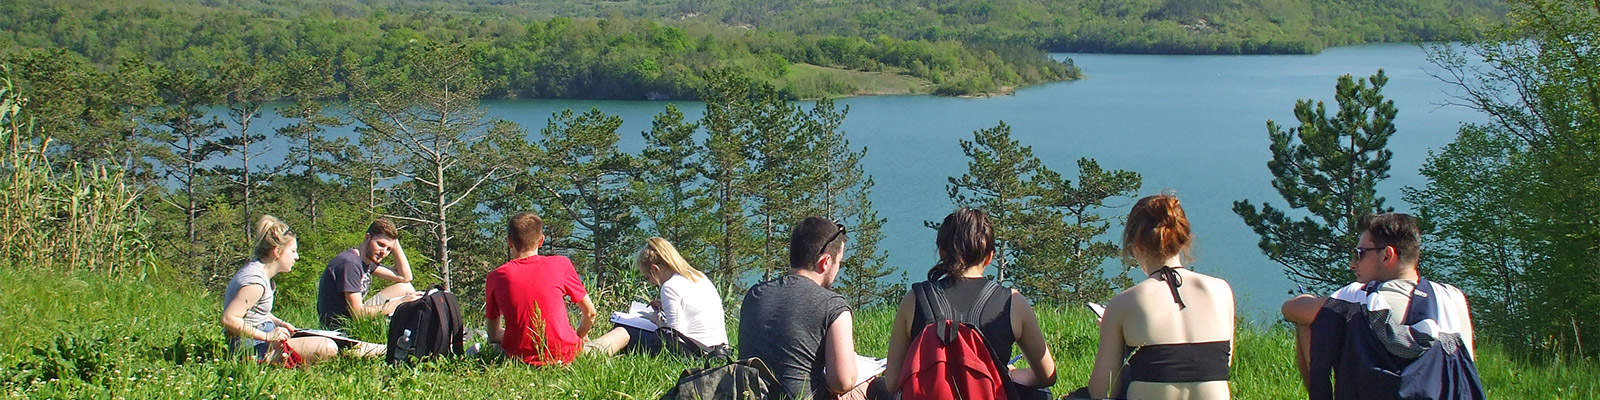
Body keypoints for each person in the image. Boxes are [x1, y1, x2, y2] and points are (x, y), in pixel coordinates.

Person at [1281, 213, 1479, 399]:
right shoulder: (1452, 297)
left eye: (1359, 254)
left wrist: (1308, 297)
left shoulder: (1360, 296)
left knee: (1313, 321)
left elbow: (1291, 310)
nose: (1352, 263)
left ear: (1387, 255)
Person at [884, 208, 1056, 399]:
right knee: (1040, 393)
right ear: (989, 257)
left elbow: (892, 382)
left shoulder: (915, 299)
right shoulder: (1012, 302)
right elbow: (1047, 375)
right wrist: (1009, 374)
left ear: (942, 252)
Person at [1086, 194, 1234, 399]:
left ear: (1135, 246)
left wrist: (1116, 339)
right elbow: (1221, 364)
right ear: (1183, 240)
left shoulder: (1124, 303)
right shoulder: (1221, 290)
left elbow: (1101, 391)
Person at [739, 217, 875, 400]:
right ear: (826, 262)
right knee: (877, 387)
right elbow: (842, 382)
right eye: (838, 262)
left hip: (750, 395)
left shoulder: (755, 294)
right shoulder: (833, 306)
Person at [222, 215, 381, 366]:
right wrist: (267, 336)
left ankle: (381, 350)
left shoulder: (260, 274)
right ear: (277, 252)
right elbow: (229, 319)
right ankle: (380, 352)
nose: (296, 256)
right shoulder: (255, 282)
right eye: (293, 251)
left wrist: (279, 322)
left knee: (330, 339)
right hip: (251, 347)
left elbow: (254, 312)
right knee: (327, 347)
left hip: (263, 338)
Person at [484, 211, 599, 366]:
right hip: (566, 354)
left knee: (479, 348)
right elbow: (590, 313)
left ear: (509, 242)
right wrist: (579, 336)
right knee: (622, 334)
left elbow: (493, 334)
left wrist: (520, 336)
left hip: (518, 358)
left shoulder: (496, 277)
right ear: (541, 241)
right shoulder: (561, 264)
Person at [586, 237, 730, 357]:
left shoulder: (670, 287)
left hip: (693, 353)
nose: (650, 282)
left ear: (655, 269)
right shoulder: (698, 276)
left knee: (624, 330)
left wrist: (655, 320)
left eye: (648, 277)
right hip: (717, 350)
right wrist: (664, 306)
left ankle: (589, 352)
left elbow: (675, 336)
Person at [315, 218, 422, 330]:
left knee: (406, 287)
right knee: (404, 304)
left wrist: (395, 242)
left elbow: (405, 277)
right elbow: (358, 314)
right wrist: (399, 303)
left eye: (389, 249)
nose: (383, 253)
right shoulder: (350, 264)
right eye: (380, 244)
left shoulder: (366, 261)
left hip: (352, 316)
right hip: (341, 327)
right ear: (367, 237)